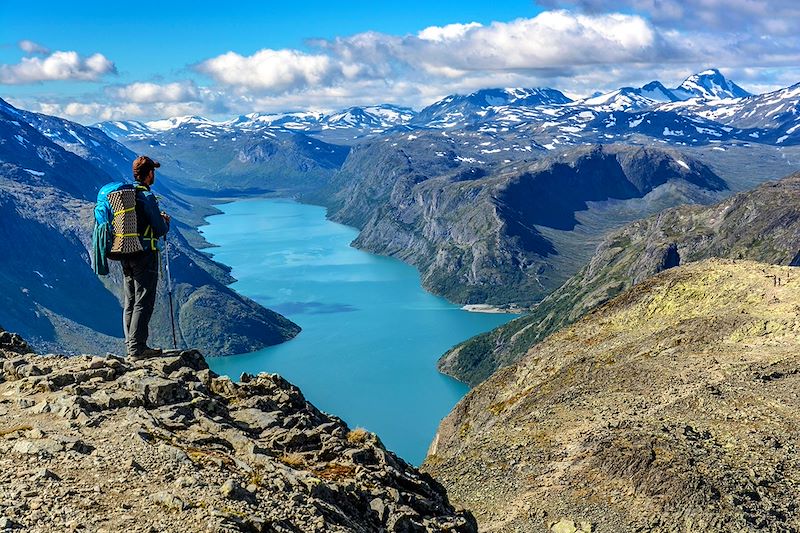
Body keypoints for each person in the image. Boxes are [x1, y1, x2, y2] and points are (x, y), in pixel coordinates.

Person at [123, 155, 171, 359]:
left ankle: (131, 346)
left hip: (124, 252)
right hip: (144, 254)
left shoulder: (128, 195)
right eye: (153, 172)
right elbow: (158, 229)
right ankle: (138, 349)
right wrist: (165, 222)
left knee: (131, 300)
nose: (154, 175)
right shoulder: (147, 197)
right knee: (144, 301)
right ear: (149, 173)